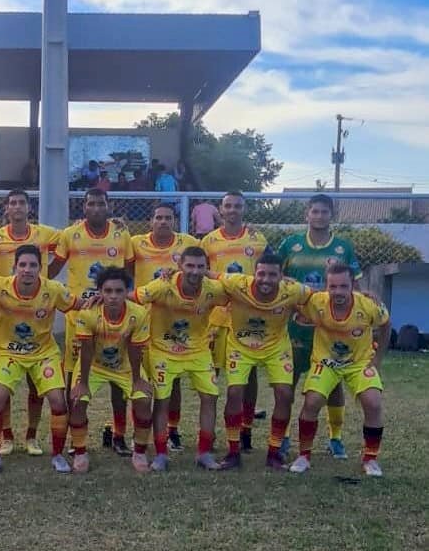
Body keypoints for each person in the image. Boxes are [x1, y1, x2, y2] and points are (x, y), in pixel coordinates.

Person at [0, 244, 85, 474]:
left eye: (33, 265)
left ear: (40, 268)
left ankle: (57, 454)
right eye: (23, 265)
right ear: (15, 267)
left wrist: (104, 300)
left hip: (43, 353)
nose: (27, 270)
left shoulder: (53, 289)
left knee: (58, 401)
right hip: (10, 353)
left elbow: (78, 304)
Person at [48, 188, 135, 455]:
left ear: (109, 207)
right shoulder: (69, 235)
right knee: (75, 379)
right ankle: (76, 440)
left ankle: (119, 435)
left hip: (115, 317)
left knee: (118, 378)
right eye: (91, 204)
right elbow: (51, 271)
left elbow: (131, 272)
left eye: (101, 204)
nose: (96, 208)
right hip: (81, 318)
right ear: (83, 208)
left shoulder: (122, 234)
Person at [277, 194, 361, 460]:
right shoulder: (291, 244)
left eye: (325, 212)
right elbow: (272, 273)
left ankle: (335, 438)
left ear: (331, 215)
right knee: (287, 382)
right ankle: (284, 436)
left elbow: (353, 285)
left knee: (332, 384)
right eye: (315, 211)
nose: (320, 216)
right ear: (307, 214)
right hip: (294, 324)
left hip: (328, 328)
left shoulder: (343, 248)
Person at [132, 246, 228, 471]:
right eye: (190, 266)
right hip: (163, 350)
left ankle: (204, 453)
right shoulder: (162, 285)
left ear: (207, 268)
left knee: (210, 397)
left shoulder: (214, 289)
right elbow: (133, 297)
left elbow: (241, 291)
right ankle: (161, 454)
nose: (195, 271)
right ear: (180, 266)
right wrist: (101, 298)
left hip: (198, 350)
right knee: (162, 400)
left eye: (200, 266)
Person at [212, 254, 311, 471]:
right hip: (241, 346)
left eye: (272, 274)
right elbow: (207, 274)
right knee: (235, 392)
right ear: (254, 273)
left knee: (285, 394)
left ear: (281, 276)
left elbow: (322, 297)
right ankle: (233, 452)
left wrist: (361, 294)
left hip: (276, 347)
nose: (266, 279)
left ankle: (274, 453)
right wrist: (173, 273)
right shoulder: (237, 283)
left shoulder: (293, 290)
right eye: (262, 274)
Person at [289, 264, 390, 477]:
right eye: (332, 287)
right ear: (327, 286)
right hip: (325, 362)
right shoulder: (317, 302)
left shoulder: (368, 305)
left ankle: (370, 459)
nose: (337, 292)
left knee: (373, 402)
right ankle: (304, 455)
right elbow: (293, 301)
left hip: (359, 362)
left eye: (343, 286)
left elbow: (386, 324)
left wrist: (378, 360)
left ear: (353, 285)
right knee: (312, 401)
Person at [0, 189, 60, 455]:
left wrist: (117, 223)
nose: (16, 207)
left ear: (29, 207)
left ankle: (32, 436)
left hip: (37, 314)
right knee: (1, 387)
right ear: (6, 209)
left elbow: (72, 241)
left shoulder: (46, 234)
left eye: (21, 203)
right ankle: (6, 436)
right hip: (3, 321)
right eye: (12, 203)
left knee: (37, 386)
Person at [68, 267, 153, 474]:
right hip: (94, 366)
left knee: (143, 399)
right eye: (108, 291)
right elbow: (86, 351)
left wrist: (137, 380)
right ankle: (80, 453)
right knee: (78, 401)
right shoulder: (88, 313)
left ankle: (139, 452)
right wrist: (83, 383)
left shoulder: (139, 313)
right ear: (100, 292)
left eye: (118, 291)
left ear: (127, 292)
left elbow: (135, 349)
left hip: (124, 366)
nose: (113, 296)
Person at [201, 192, 269, 451]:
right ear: (221, 209)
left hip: (247, 318)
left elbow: (268, 276)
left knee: (247, 376)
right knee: (211, 375)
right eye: (228, 206)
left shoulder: (258, 240)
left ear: (244, 209)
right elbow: (199, 272)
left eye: (237, 206)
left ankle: (246, 430)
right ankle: (209, 432)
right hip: (216, 316)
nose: (232, 210)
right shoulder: (209, 241)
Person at [128, 204, 198, 451]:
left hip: (172, 321)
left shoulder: (188, 242)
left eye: (168, 218)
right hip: (141, 319)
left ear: (175, 221)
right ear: (151, 221)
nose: (163, 222)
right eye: (159, 217)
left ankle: (173, 430)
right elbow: (126, 269)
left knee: (173, 379)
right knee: (138, 378)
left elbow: (198, 267)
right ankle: (138, 432)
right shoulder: (136, 242)